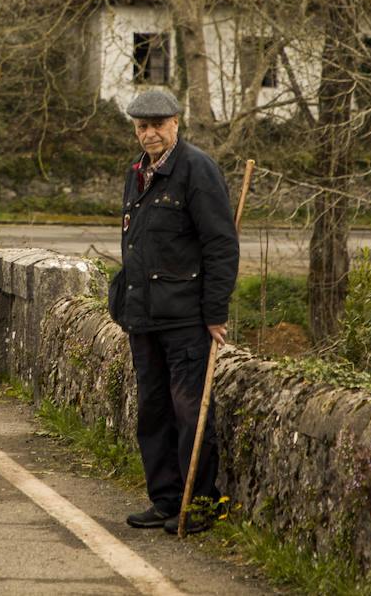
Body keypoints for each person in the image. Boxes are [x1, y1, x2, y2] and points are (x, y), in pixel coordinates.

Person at [107, 88, 239, 535]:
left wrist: (215, 312)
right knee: (153, 411)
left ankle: (198, 504)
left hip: (185, 319)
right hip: (143, 317)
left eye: (158, 125)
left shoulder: (197, 170)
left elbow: (221, 245)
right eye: (142, 126)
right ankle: (165, 500)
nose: (149, 134)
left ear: (176, 123)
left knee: (190, 412)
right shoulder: (136, 172)